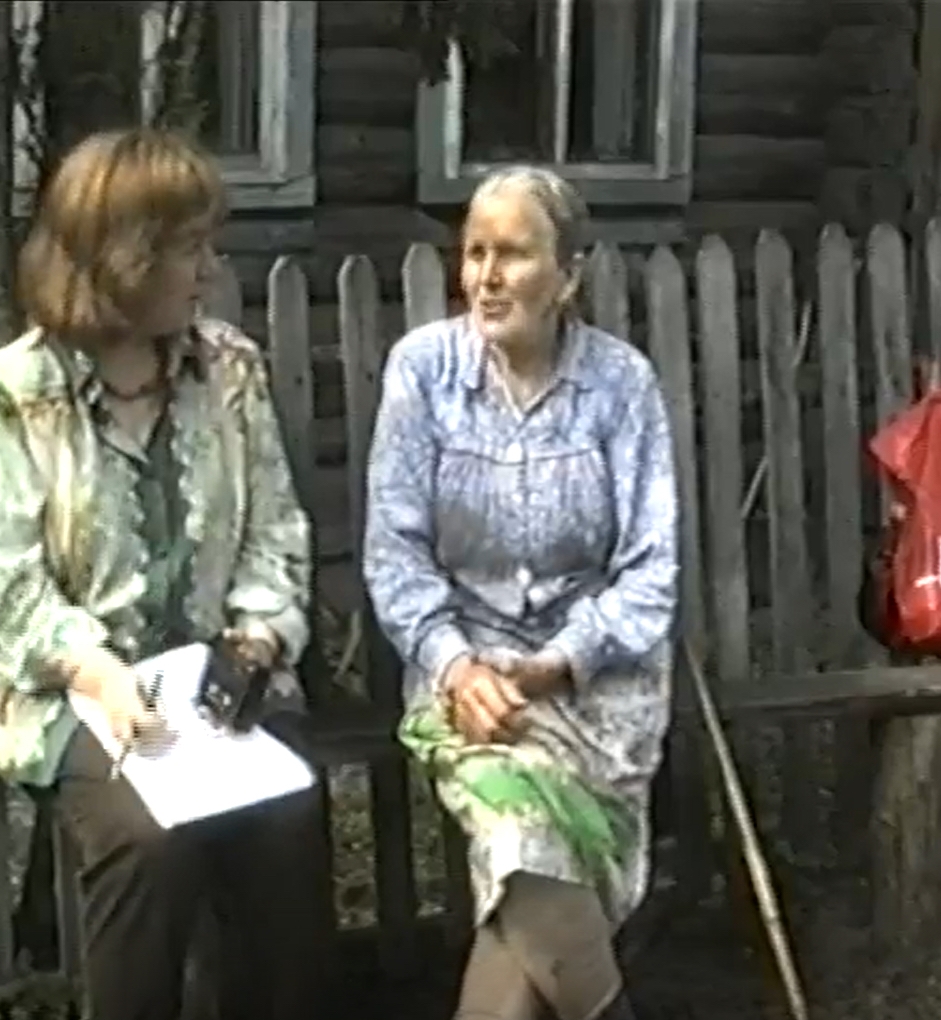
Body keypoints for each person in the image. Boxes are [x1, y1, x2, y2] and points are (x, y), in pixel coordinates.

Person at [0, 128, 325, 1020]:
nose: (209, 271)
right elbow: (10, 592)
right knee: (147, 838)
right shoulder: (13, 394)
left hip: (218, 683)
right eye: (189, 249)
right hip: (76, 694)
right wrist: (103, 678)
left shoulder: (230, 368)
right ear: (126, 259)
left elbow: (276, 534)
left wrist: (256, 641)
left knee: (286, 818)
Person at [363, 165, 679, 1020]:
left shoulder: (621, 385)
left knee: (526, 873)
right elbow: (394, 556)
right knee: (521, 831)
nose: (486, 278)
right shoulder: (423, 372)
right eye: (474, 253)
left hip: (598, 684)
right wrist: (458, 666)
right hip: (469, 679)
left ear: (567, 276)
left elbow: (652, 571)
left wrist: (560, 662)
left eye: (512, 254)